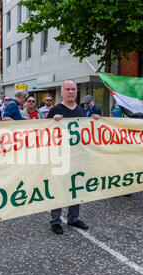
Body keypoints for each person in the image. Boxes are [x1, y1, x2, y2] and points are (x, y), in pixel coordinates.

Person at [47, 80, 100, 235]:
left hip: (77, 157)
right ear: (62, 92)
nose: (71, 92)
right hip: (60, 157)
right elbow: (44, 132)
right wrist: (52, 121)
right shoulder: (55, 110)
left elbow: (86, 133)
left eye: (73, 89)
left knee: (76, 188)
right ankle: (55, 220)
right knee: (59, 188)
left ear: (77, 92)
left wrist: (96, 122)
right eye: (68, 89)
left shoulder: (81, 111)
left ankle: (73, 218)